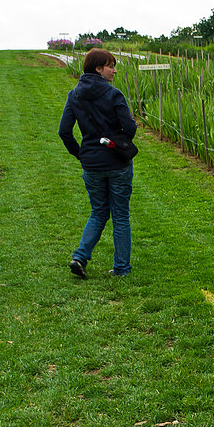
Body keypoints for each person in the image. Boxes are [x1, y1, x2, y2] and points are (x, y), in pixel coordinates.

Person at [59, 48, 137, 278]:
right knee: (120, 215)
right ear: (98, 68)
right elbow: (130, 128)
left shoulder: (74, 96)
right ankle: (122, 268)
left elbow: (64, 132)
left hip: (91, 165)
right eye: (110, 66)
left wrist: (81, 155)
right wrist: (118, 139)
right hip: (117, 163)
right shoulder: (114, 95)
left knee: (98, 212)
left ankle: (80, 257)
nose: (114, 70)